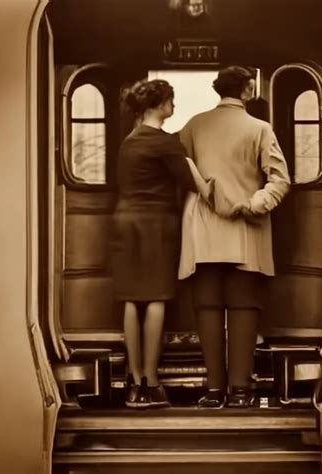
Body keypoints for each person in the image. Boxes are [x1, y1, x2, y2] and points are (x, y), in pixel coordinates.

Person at [179, 66, 291, 408]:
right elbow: (280, 179)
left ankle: (214, 389)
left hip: (203, 230)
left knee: (208, 307)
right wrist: (256, 204)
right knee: (243, 307)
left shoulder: (194, 125)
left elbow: (179, 170)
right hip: (246, 231)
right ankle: (241, 389)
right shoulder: (260, 128)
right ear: (248, 89)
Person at [113, 79, 212, 409]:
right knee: (156, 297)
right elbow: (194, 183)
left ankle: (133, 379)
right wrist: (208, 185)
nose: (174, 107)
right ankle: (151, 383)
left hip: (126, 221)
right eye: (171, 101)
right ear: (158, 105)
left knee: (131, 298)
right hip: (156, 224)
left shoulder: (129, 141)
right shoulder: (165, 142)